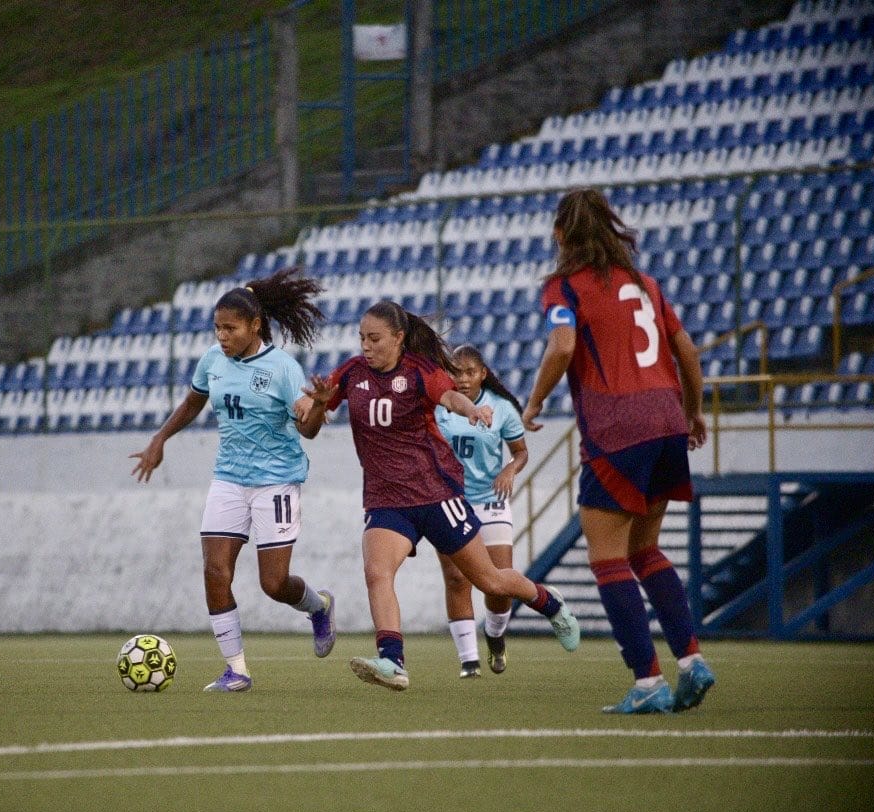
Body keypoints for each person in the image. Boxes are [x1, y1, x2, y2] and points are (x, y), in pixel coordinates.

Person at [297, 300, 579, 692]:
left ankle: (550, 603)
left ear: (398, 338)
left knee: (491, 582)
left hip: (436, 494)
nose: (366, 345)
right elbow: (309, 430)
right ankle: (393, 662)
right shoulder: (351, 374)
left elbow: (449, 398)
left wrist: (472, 412)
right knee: (377, 572)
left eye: (375, 338)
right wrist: (317, 404)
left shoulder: (418, 370)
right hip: (387, 500)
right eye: (362, 337)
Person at [522, 187, 716, 714]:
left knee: (607, 557)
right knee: (645, 550)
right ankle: (692, 660)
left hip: (617, 428)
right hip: (667, 421)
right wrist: (694, 412)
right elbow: (688, 352)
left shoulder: (564, 288)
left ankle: (648, 682)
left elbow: (562, 346)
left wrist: (534, 402)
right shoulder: (646, 285)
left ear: (560, 235)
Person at [131, 268, 336, 693]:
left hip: (275, 482)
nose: (221, 337)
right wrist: (160, 438)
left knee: (273, 584)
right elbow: (192, 402)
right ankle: (237, 670)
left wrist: (317, 406)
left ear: (255, 325)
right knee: (214, 570)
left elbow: (309, 429)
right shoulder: (213, 361)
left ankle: (318, 607)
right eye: (217, 328)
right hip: (228, 479)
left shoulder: (282, 368)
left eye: (230, 328)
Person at [433, 344, 529, 678]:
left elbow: (520, 452)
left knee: (499, 583)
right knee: (457, 578)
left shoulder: (501, 407)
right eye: (455, 372)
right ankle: (468, 661)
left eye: (469, 372)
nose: (462, 379)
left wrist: (509, 470)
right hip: (450, 501)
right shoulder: (439, 405)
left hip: (490, 499)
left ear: (483, 374)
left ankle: (495, 634)